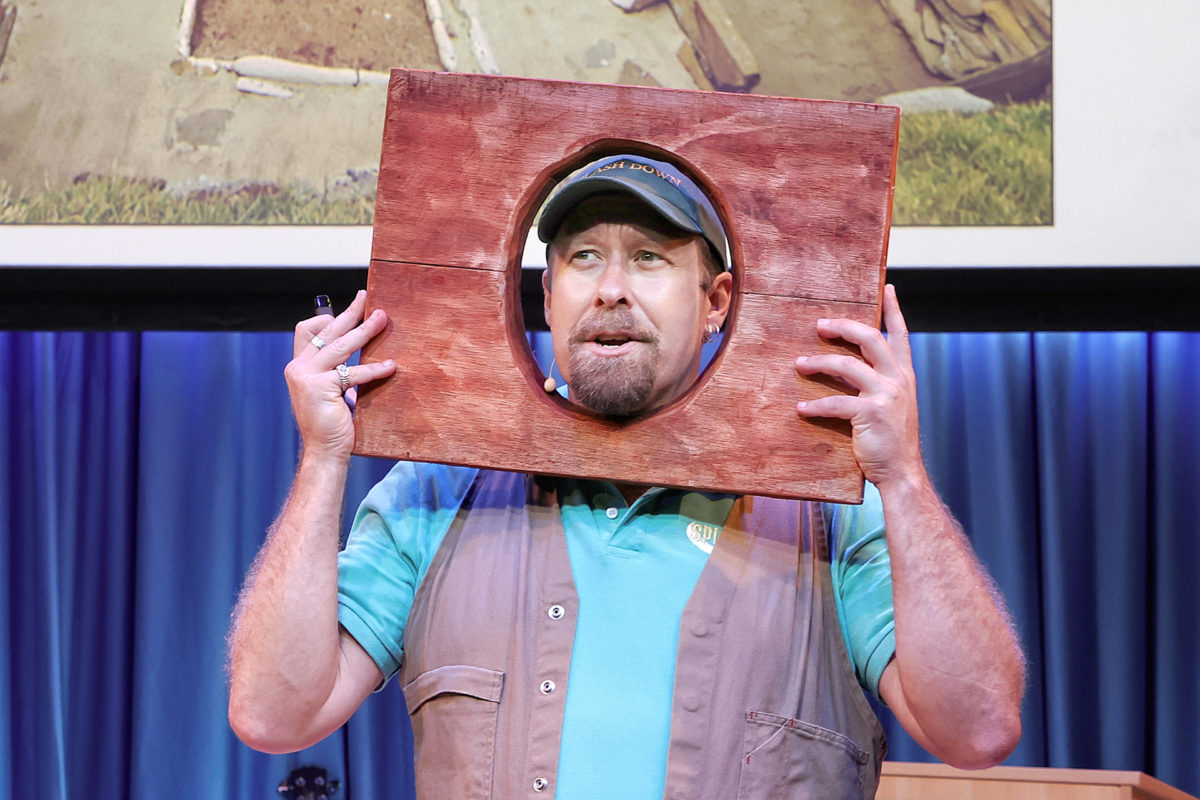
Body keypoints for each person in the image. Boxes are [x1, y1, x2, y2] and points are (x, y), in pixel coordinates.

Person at [228, 153, 1025, 799]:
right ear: (548, 293)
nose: (610, 288)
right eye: (583, 258)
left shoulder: (829, 515)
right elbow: (272, 713)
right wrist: (323, 459)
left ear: (717, 302)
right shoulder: (437, 495)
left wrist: (905, 480)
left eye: (648, 258)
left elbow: (979, 729)